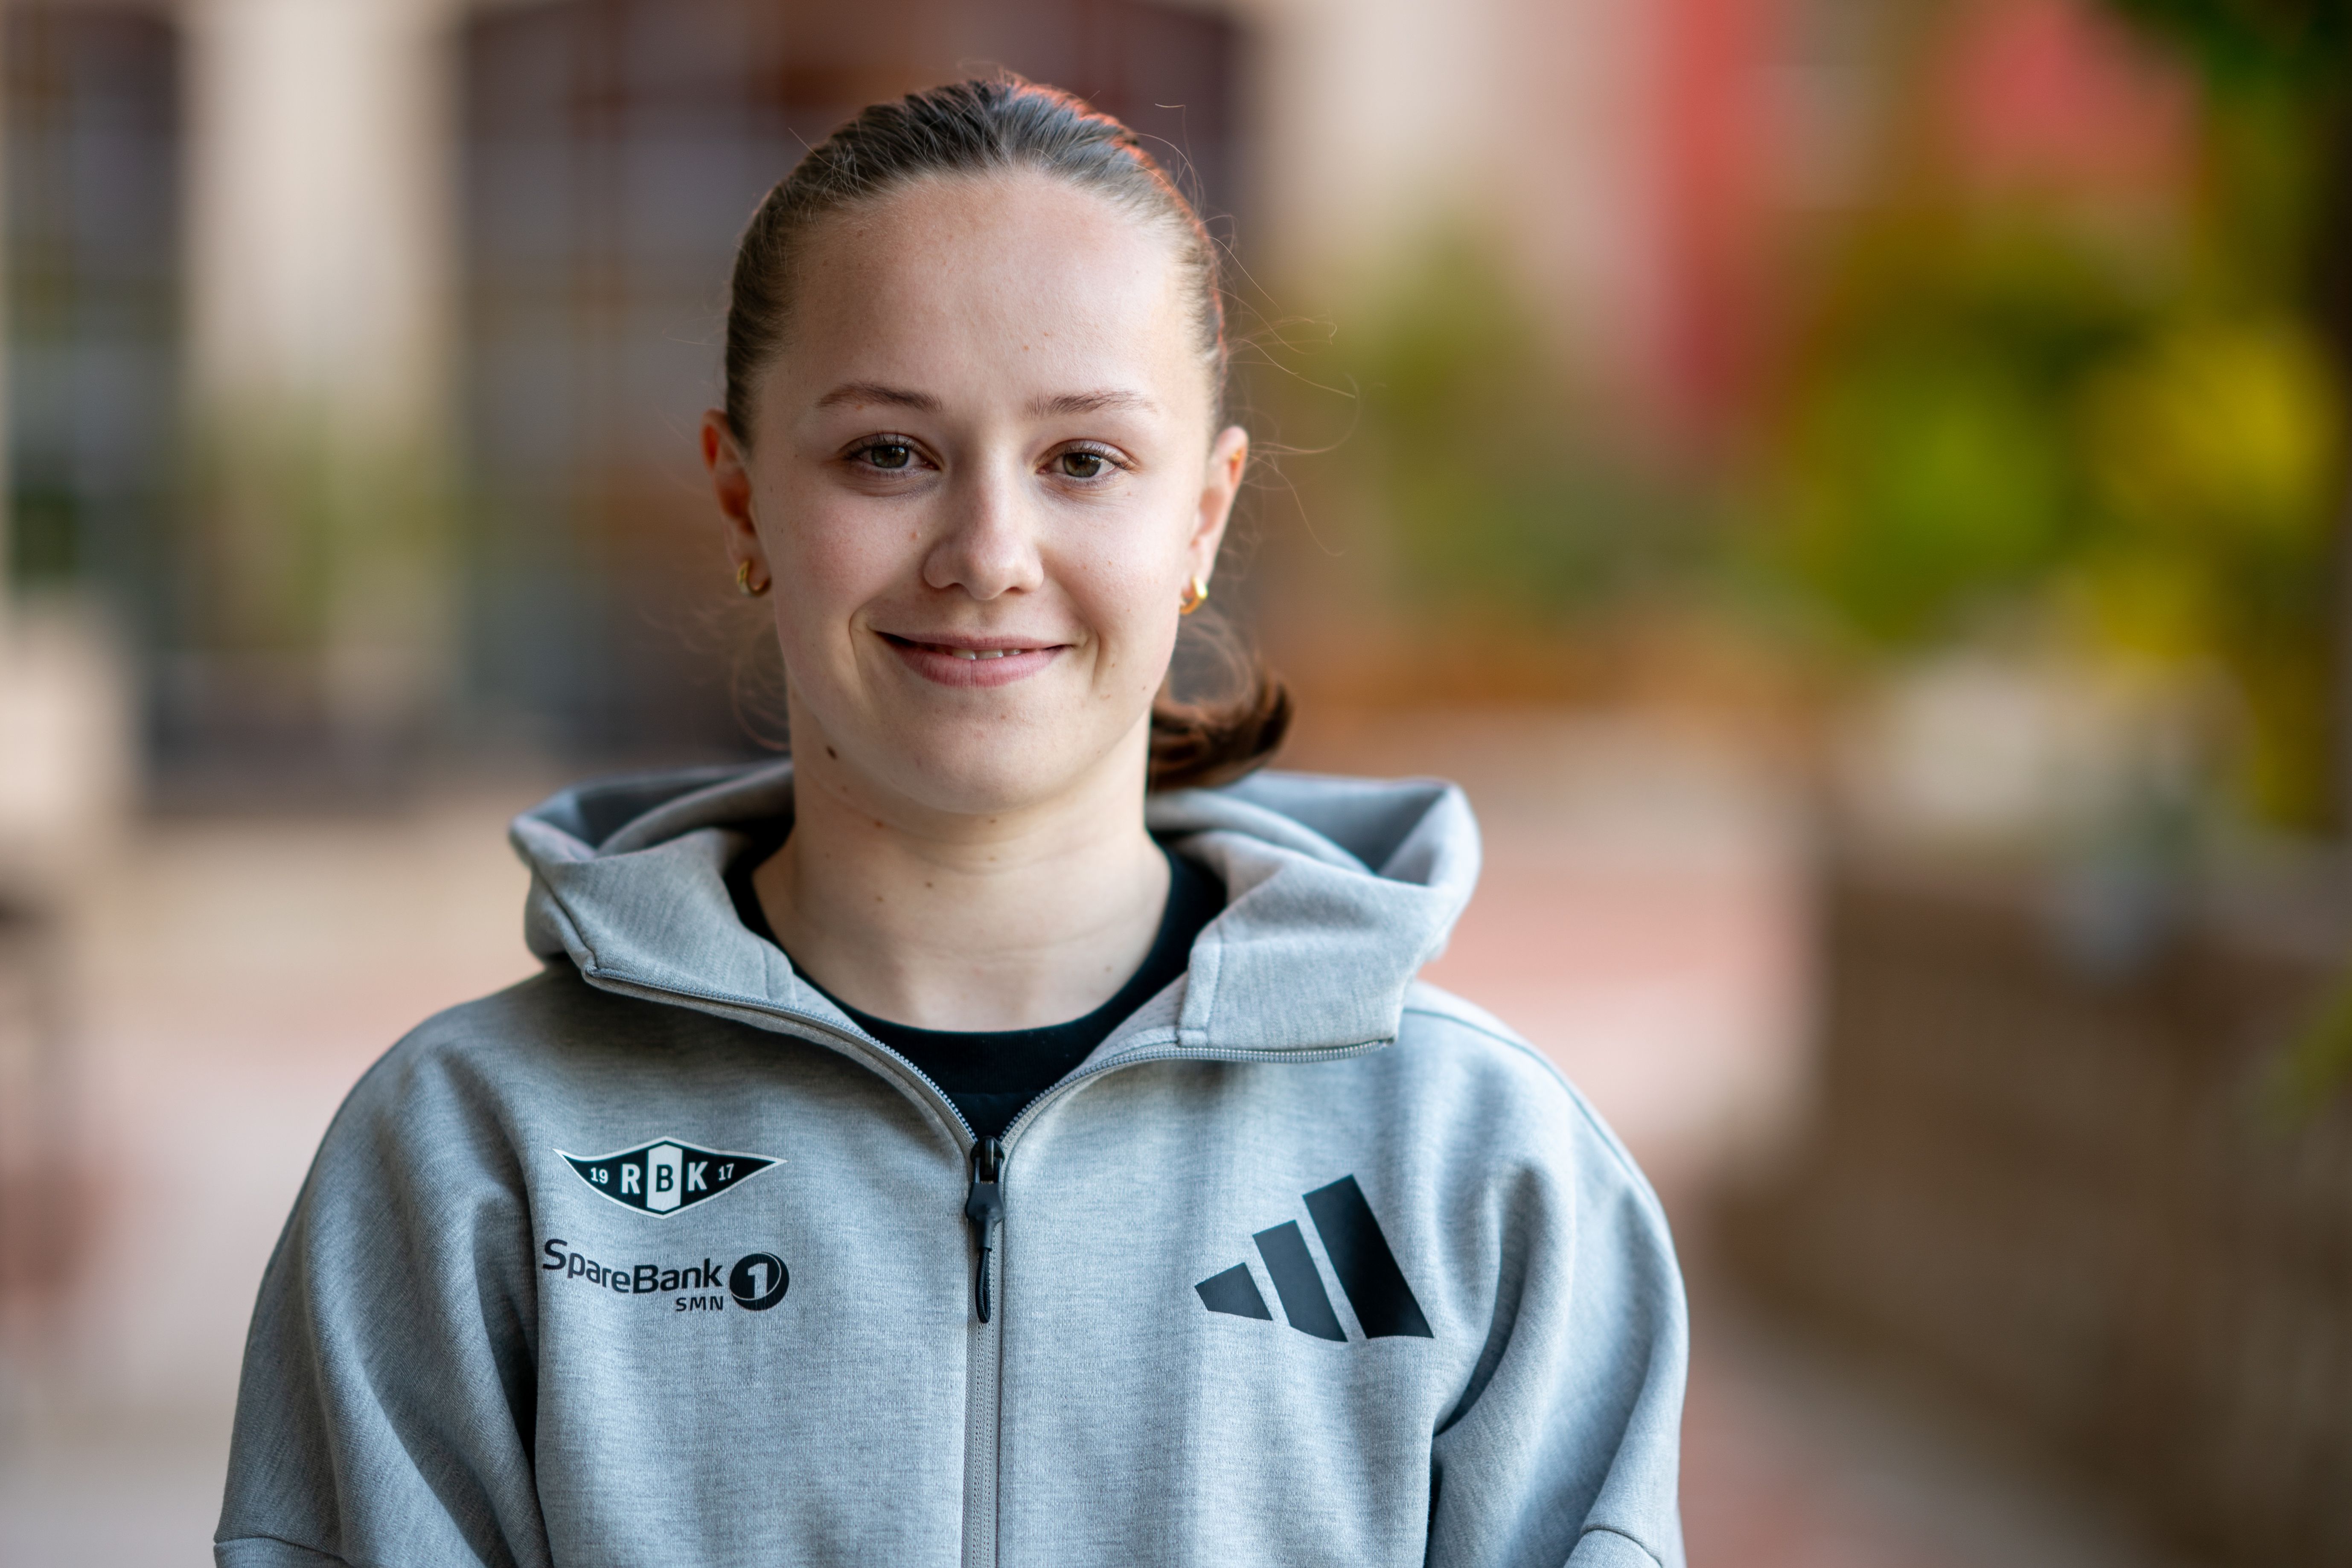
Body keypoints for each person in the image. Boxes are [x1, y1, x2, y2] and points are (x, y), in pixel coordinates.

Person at [216, 77, 1687, 1568]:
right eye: (888, 453)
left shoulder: (1483, 1166)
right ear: (740, 499)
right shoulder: (470, 1153)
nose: (988, 553)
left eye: (1084, 461)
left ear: (1203, 515)